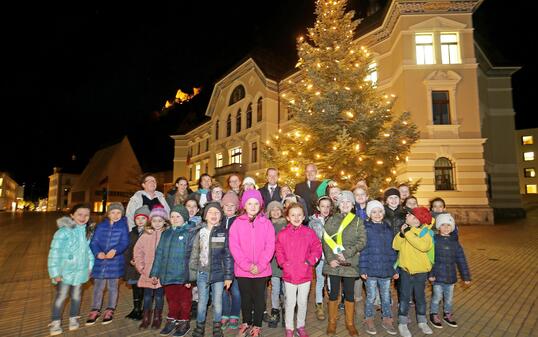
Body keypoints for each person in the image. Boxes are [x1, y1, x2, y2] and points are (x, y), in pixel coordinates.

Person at [229, 189, 275, 337]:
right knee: (246, 298)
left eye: (256, 203)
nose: (253, 206)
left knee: (259, 299)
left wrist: (260, 265)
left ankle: (257, 325)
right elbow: (234, 247)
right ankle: (246, 322)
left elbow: (270, 246)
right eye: (250, 203)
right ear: (244, 205)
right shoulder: (237, 223)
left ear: (260, 205)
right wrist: (247, 266)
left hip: (262, 270)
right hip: (243, 270)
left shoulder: (266, 223)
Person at [323, 191, 366, 336]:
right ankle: (332, 322)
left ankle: (350, 323)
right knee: (334, 293)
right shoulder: (331, 220)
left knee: (349, 293)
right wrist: (330, 259)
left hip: (350, 263)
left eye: (348, 202)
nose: (345, 204)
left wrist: (347, 253)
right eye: (342, 202)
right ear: (338, 205)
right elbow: (326, 240)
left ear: (353, 205)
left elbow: (362, 241)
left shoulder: (358, 221)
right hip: (334, 264)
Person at [276, 203, 322, 337]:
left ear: (303, 217)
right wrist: (283, 263)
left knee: (302, 302)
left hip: (305, 274)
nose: (296, 217)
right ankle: (289, 327)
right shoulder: (283, 234)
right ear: (288, 218)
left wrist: (309, 262)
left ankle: (300, 326)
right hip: (289, 274)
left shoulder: (309, 232)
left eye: (299, 215)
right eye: (293, 215)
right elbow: (278, 250)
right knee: (290, 302)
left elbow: (317, 248)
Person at [48, 204, 94, 336]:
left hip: (81, 271)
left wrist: (90, 267)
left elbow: (88, 252)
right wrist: (55, 273)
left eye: (86, 215)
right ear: (72, 215)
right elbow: (54, 253)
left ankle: (73, 318)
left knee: (76, 296)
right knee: (61, 296)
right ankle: (55, 321)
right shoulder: (63, 232)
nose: (83, 217)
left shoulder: (87, 232)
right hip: (64, 272)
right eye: (79, 214)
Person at [151, 204, 197, 337]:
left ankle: (184, 321)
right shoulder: (166, 233)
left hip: (183, 276)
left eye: (178, 216)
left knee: (184, 300)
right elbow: (159, 253)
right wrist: (155, 272)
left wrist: (190, 277)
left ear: (185, 218)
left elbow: (193, 257)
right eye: (172, 216)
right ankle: (172, 319)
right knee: (171, 299)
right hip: (167, 274)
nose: (175, 219)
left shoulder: (190, 233)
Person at [190, 202, 233, 337]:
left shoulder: (223, 233)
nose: (214, 215)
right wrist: (190, 276)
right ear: (204, 215)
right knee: (202, 302)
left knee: (217, 302)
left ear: (221, 216)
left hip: (219, 274)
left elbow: (227, 255)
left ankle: (217, 326)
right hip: (202, 273)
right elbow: (193, 254)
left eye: (217, 213)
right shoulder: (199, 232)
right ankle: (200, 326)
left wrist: (228, 276)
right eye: (210, 212)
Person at [392, 207, 435, 337]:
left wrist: (407, 233)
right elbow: (395, 246)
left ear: (417, 220)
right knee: (404, 298)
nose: (406, 216)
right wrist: (401, 234)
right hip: (406, 271)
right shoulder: (406, 230)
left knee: (420, 297)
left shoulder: (425, 232)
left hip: (421, 272)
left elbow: (423, 246)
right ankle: (402, 323)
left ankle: (422, 321)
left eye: (410, 215)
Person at [359, 200, 398, 335]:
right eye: (374, 212)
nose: (377, 214)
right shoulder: (365, 228)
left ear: (383, 212)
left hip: (386, 270)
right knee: (371, 296)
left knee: (386, 297)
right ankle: (369, 318)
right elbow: (363, 250)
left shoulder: (388, 228)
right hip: (370, 270)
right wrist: (363, 269)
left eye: (380, 211)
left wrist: (395, 269)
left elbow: (392, 250)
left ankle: (387, 319)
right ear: (369, 214)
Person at [86, 202, 129, 326]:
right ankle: (95, 309)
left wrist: (115, 250)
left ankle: (110, 309)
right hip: (101, 261)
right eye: (113, 212)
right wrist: (97, 252)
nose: (116, 215)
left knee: (112, 287)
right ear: (108, 213)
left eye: (118, 213)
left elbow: (124, 242)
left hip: (115, 262)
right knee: (98, 287)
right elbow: (94, 242)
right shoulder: (101, 226)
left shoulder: (123, 226)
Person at [429, 213, 471, 329]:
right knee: (436, 297)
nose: (446, 227)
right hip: (437, 276)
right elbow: (430, 259)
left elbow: (461, 260)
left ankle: (447, 314)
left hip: (451, 277)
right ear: (438, 227)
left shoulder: (455, 243)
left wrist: (466, 277)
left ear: (452, 227)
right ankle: (434, 314)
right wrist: (431, 274)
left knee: (449, 298)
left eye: (449, 225)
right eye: (443, 225)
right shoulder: (434, 241)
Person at [134, 207, 167, 329]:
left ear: (165, 221)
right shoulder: (145, 235)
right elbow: (138, 251)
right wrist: (141, 267)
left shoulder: (167, 235)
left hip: (161, 274)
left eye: (160, 220)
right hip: (147, 272)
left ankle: (157, 317)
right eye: (154, 220)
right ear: (150, 222)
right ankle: (146, 317)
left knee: (159, 296)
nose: (157, 223)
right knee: (147, 296)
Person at [124, 205, 151, 321]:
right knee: (136, 288)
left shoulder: (150, 233)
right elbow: (127, 248)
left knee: (145, 289)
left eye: (143, 218)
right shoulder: (132, 233)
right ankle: (136, 309)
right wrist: (130, 259)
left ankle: (145, 310)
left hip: (145, 266)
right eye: (137, 218)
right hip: (133, 267)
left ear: (148, 219)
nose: (140, 221)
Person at [308, 196, 333, 321]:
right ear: (318, 207)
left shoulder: (334, 220)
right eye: (323, 206)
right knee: (320, 281)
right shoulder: (313, 222)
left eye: (328, 206)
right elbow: (317, 238)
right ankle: (319, 305)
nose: (325, 209)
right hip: (320, 258)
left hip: (332, 257)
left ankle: (332, 304)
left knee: (331, 281)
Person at [220, 192, 241, 331]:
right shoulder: (219, 221)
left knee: (236, 291)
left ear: (236, 207)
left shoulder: (239, 221)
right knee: (223, 290)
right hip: (221, 261)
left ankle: (234, 314)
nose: (229, 207)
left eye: (232, 205)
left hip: (236, 260)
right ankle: (225, 314)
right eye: (226, 205)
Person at [264, 201, 287, 328]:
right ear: (269, 212)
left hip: (284, 261)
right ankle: (275, 310)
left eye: (278, 209)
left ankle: (286, 311)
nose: (276, 212)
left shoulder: (286, 224)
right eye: (273, 210)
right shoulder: (267, 225)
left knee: (286, 289)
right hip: (272, 261)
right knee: (275, 288)